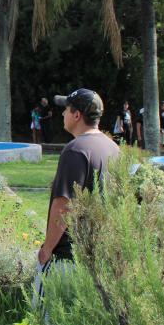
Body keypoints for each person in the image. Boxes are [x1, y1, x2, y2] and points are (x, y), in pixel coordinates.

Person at [34, 89, 120, 301]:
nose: (63, 113)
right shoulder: (113, 148)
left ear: (77, 115)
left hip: (67, 260)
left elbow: (64, 205)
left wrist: (47, 249)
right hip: (99, 257)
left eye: (66, 109)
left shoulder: (76, 150)